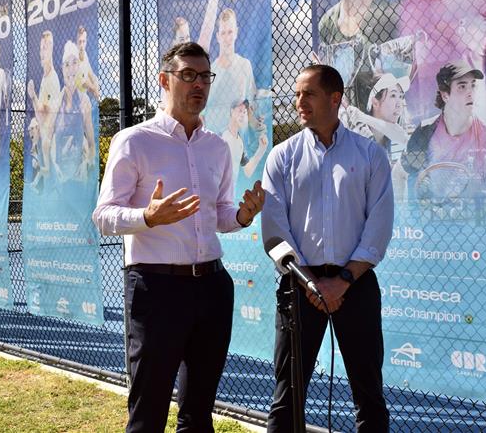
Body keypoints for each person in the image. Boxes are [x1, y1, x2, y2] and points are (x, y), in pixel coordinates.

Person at [92, 42, 265, 433]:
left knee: (198, 412)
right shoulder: (134, 141)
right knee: (148, 412)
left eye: (205, 76)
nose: (198, 84)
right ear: (164, 80)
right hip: (156, 288)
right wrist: (147, 217)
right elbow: (103, 216)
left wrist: (241, 215)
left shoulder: (218, 148)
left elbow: (218, 214)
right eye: (188, 75)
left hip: (212, 287)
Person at [262, 64, 393, 432]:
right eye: (297, 94)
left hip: (357, 285)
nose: (298, 102)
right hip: (299, 288)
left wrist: (345, 279)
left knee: (369, 394)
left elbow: (378, 226)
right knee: (288, 395)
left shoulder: (370, 155)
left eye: (309, 94)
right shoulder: (282, 157)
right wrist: (310, 283)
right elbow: (275, 230)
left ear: (335, 99)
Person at [401, 60, 486, 203]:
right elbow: (406, 174)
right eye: (462, 86)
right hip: (431, 219)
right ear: (445, 95)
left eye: (473, 85)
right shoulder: (425, 131)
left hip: (472, 220)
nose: (470, 93)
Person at [52, 41, 92, 183]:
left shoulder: (84, 100)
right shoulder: (56, 102)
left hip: (79, 177)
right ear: (62, 69)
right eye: (66, 64)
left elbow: (91, 143)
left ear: (79, 66)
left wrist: (86, 162)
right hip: (60, 177)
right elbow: (47, 139)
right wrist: (54, 166)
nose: (70, 69)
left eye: (74, 62)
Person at [27, 30, 61, 176]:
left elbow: (45, 118)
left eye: (45, 48)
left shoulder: (52, 79)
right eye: (41, 48)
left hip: (49, 145)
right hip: (44, 145)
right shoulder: (44, 77)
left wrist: (33, 96)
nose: (42, 52)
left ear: (52, 49)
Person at [221, 98, 269, 197]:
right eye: (240, 110)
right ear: (231, 111)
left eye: (245, 112)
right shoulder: (220, 136)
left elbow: (247, 170)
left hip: (230, 198)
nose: (242, 114)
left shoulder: (240, 142)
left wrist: (261, 150)